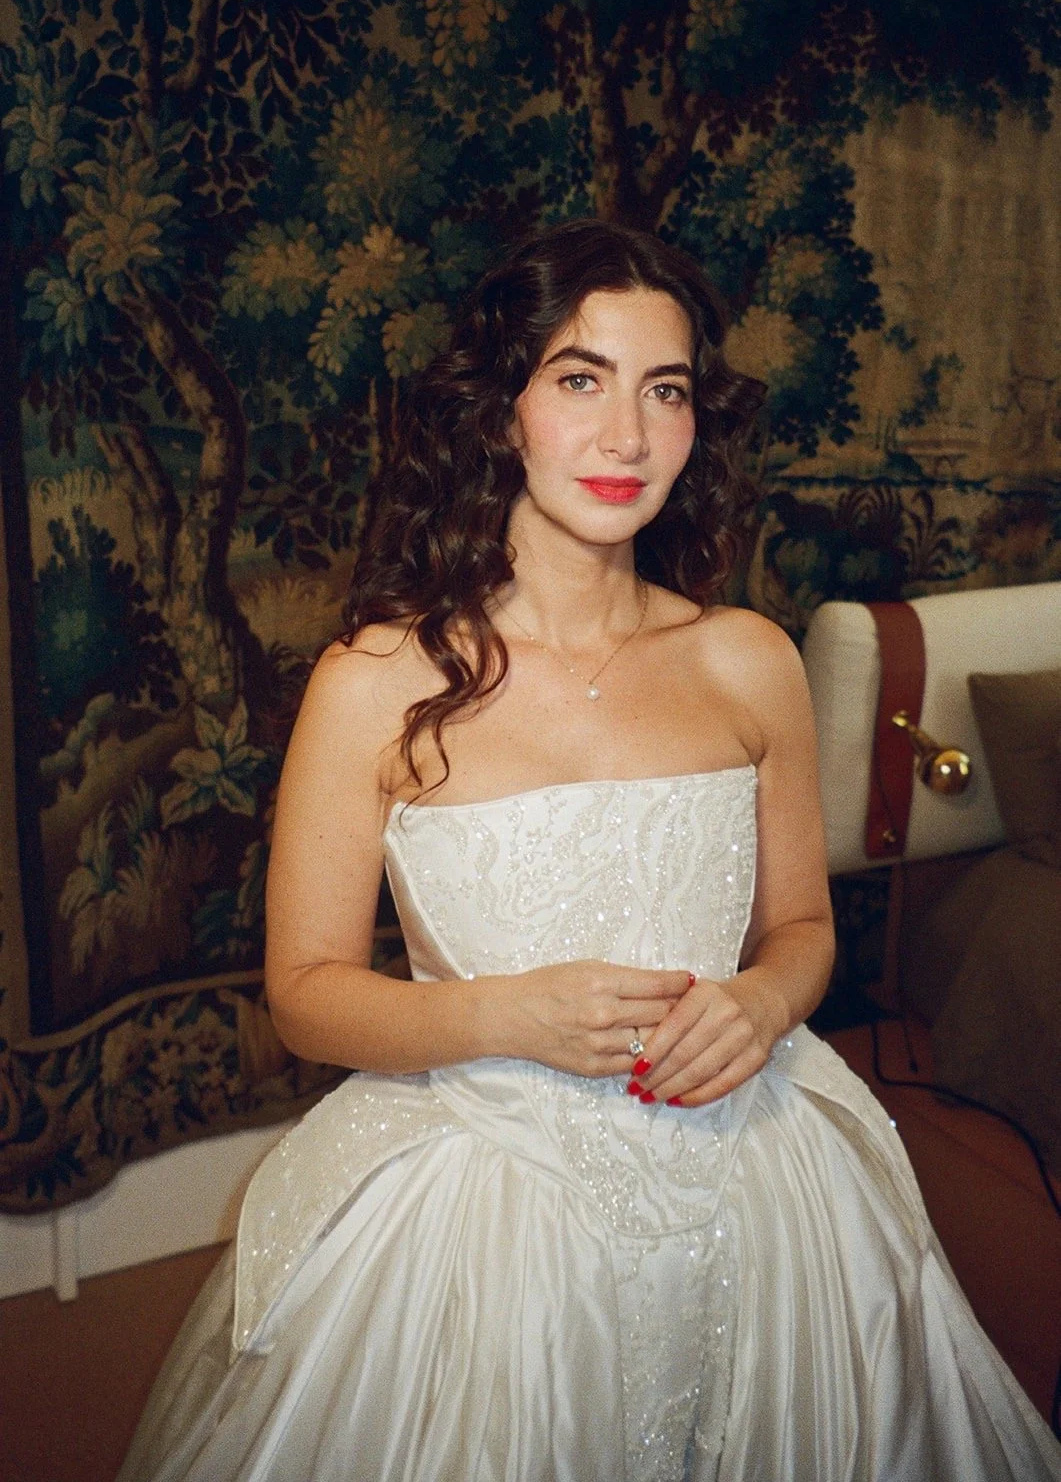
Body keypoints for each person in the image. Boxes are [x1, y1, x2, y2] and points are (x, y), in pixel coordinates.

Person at [119, 220, 1061, 1482]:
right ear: (502, 411)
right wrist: (505, 1013)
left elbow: (800, 931)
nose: (626, 435)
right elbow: (304, 998)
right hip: (485, 1198)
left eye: (662, 391)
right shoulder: (375, 683)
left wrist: (760, 1002)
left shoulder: (749, 659)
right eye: (579, 379)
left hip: (756, 1176)